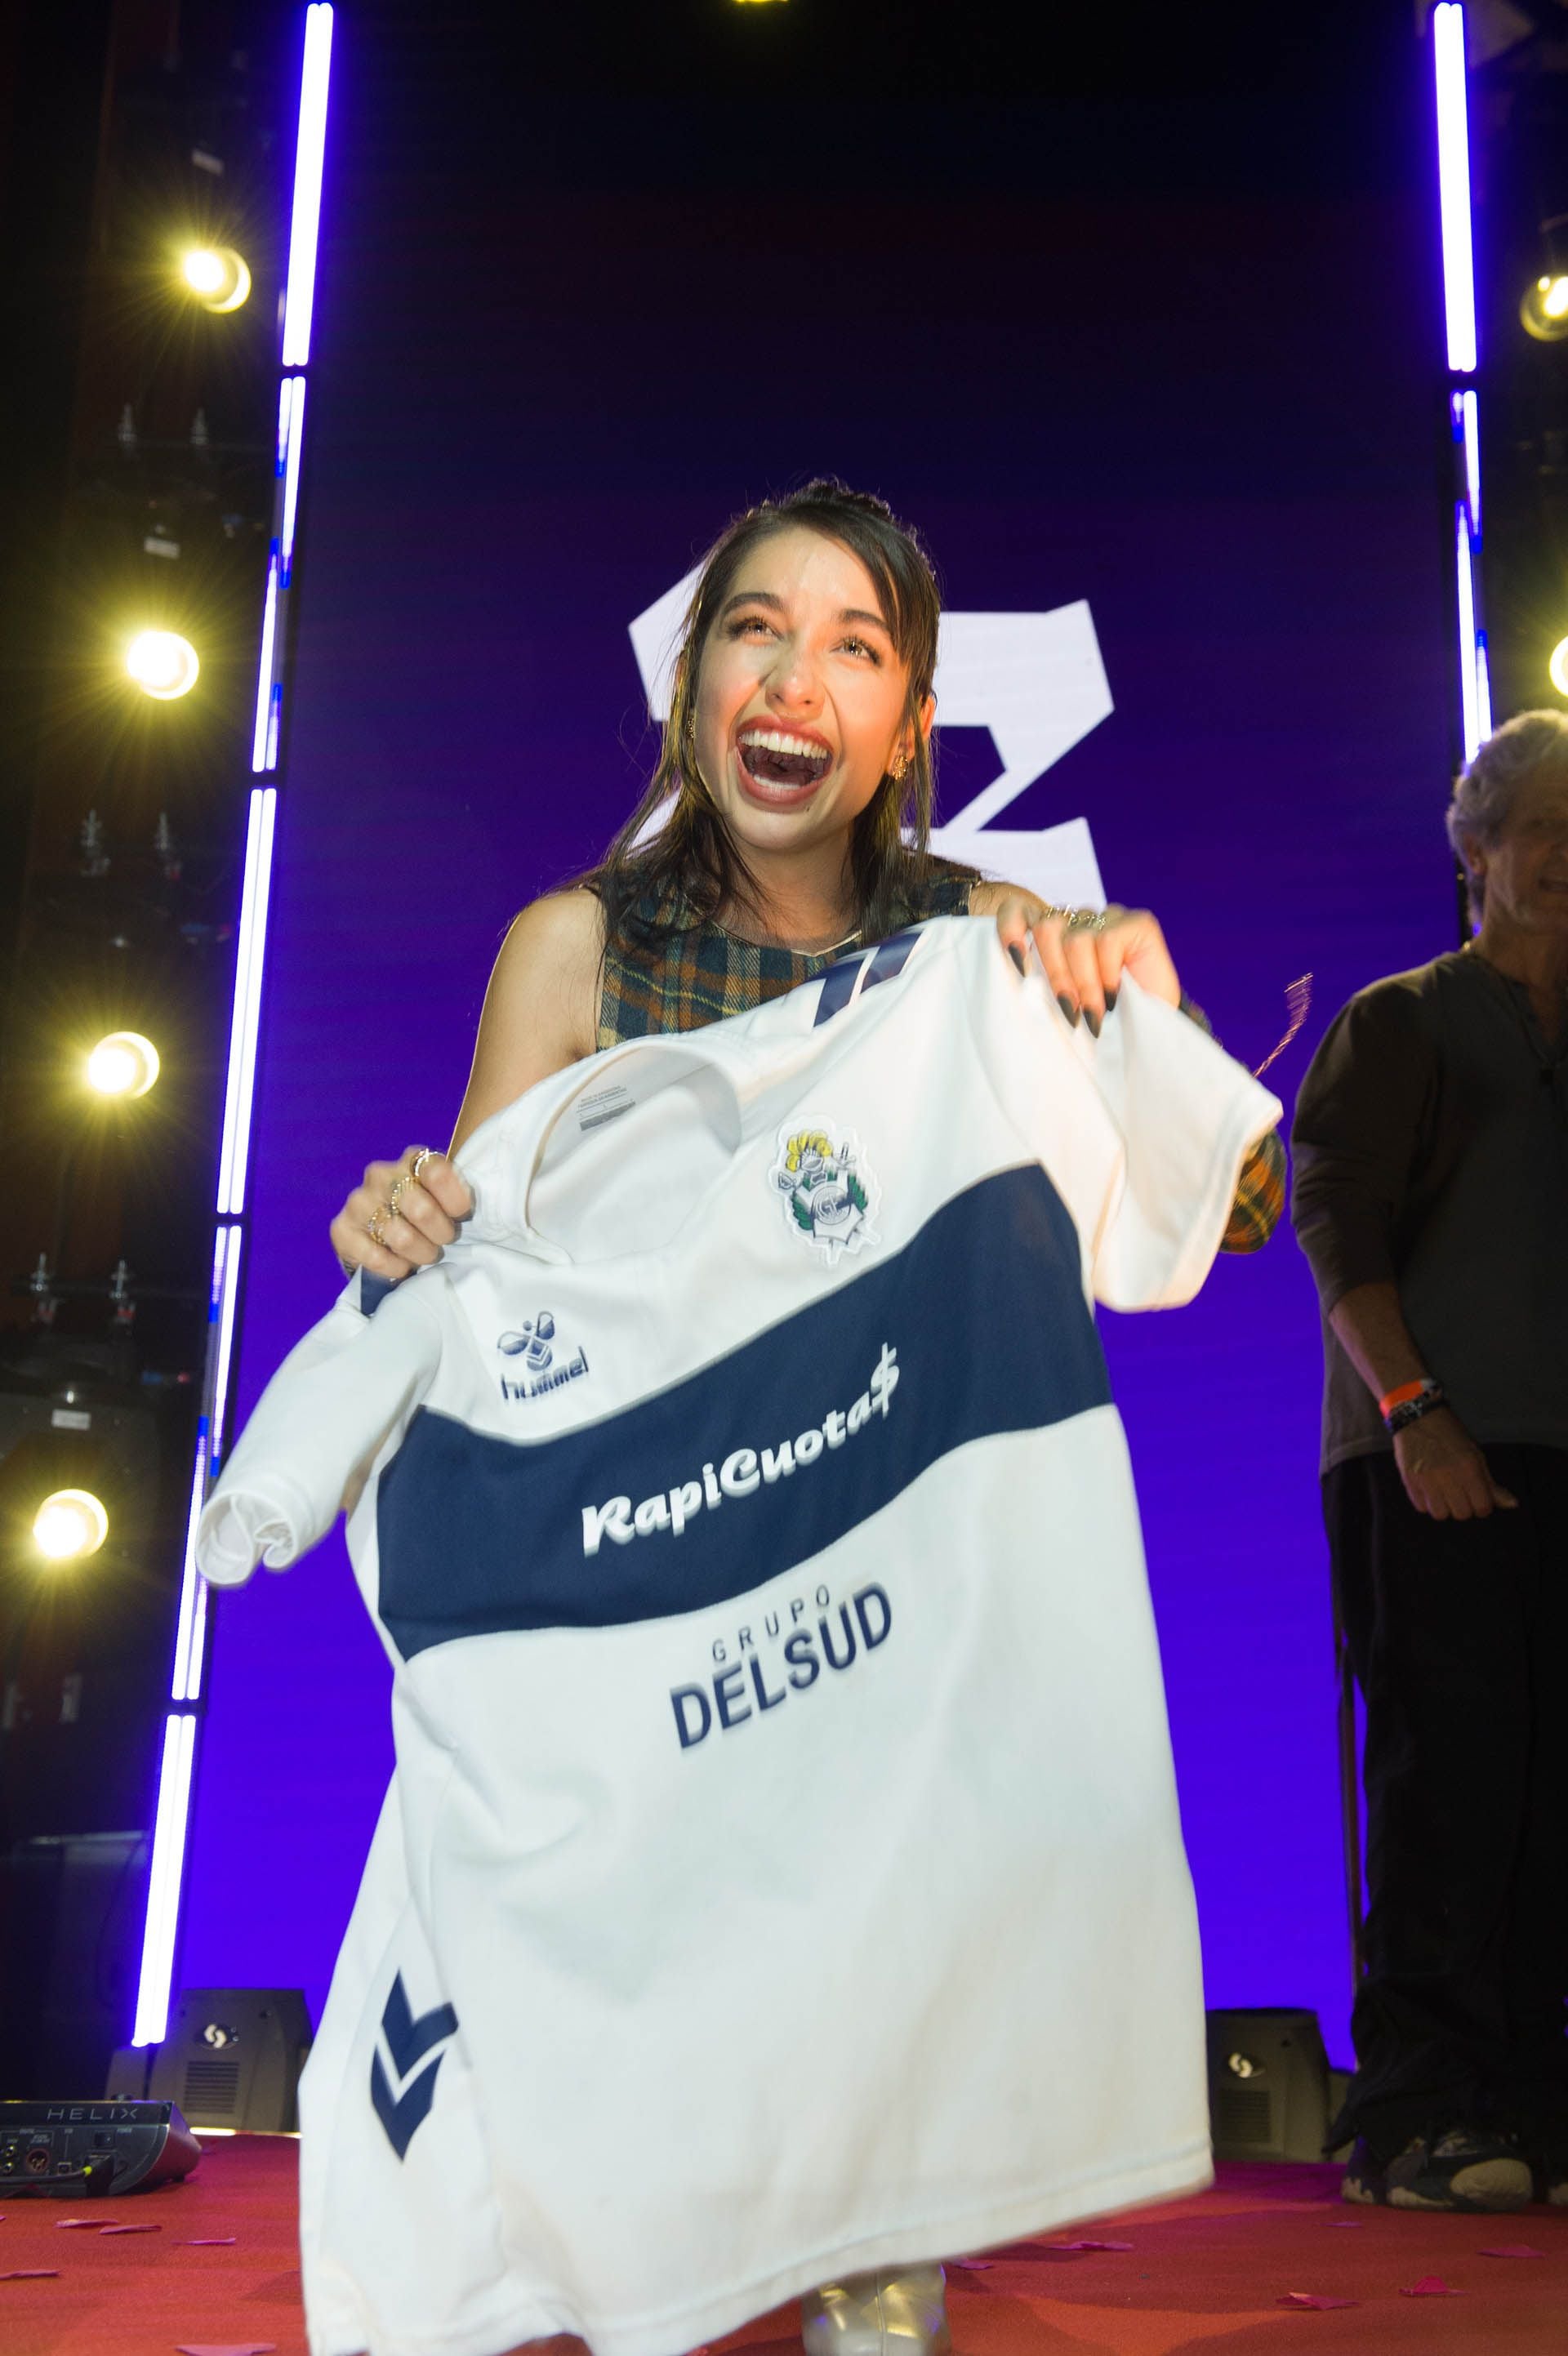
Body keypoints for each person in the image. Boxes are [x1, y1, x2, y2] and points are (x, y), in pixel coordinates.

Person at [328, 479, 1287, 2356]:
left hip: (879, 1546)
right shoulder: (576, 949)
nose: (796, 678)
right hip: (655, 1541)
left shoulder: (975, 943)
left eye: (855, 648)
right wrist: (403, 1227)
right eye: (757, 630)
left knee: (893, 1835)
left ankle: (870, 2243)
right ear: (694, 683)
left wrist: (1136, 1010)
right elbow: (485, 1273)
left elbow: (1224, 1208)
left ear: (908, 726)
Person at [1290, 708, 1568, 2214]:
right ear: (1477, 851)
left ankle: (1531, 2099)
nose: (1567, 856)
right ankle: (1417, 2113)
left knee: (1549, 1787)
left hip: (1558, 1453)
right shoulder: (1402, 1020)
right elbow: (1337, 1221)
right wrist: (1415, 1411)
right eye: (1544, 828)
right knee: (1447, 1775)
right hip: (1428, 1452)